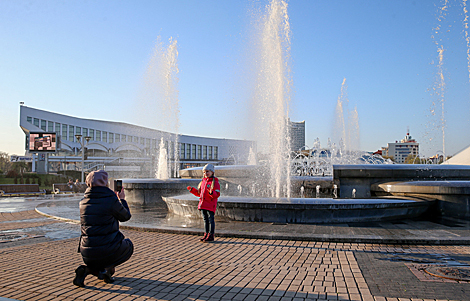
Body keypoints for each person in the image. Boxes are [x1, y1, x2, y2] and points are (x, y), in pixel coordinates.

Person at [73, 170, 133, 287]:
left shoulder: (83, 202)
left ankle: (86, 270)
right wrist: (122, 199)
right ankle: (106, 270)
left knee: (99, 257)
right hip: (107, 250)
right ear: (105, 183)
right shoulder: (110, 200)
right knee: (129, 245)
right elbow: (125, 217)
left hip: (87, 253)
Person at [187, 163, 220, 242]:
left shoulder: (215, 182)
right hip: (203, 204)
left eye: (207, 171)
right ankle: (206, 234)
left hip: (210, 204)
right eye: (204, 172)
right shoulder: (203, 182)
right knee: (205, 220)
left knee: (211, 220)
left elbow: (217, 194)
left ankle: (211, 235)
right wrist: (192, 190)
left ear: (212, 172)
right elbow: (199, 193)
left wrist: (212, 193)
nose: (206, 173)